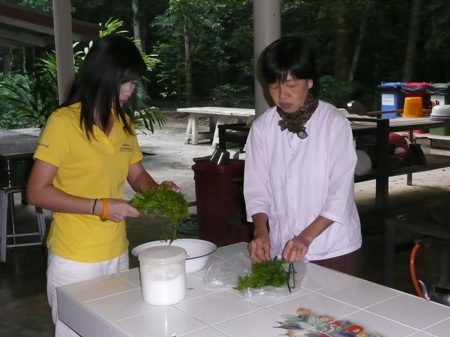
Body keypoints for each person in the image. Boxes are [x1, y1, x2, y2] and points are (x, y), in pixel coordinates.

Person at [26, 34, 180, 337]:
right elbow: (36, 192)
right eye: (124, 81)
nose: (128, 91)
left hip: (117, 251)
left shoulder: (123, 123)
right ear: (101, 75)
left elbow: (137, 176)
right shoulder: (64, 122)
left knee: (113, 329)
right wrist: (101, 206)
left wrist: (160, 191)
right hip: (75, 257)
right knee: (75, 331)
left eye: (134, 83)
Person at [244, 36, 362, 276]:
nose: (282, 95)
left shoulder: (334, 124)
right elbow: (257, 188)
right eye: (274, 86)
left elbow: (340, 195)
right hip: (283, 246)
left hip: (333, 247)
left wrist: (305, 238)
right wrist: (261, 232)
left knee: (337, 313)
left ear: (309, 82)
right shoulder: (263, 128)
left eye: (291, 84)